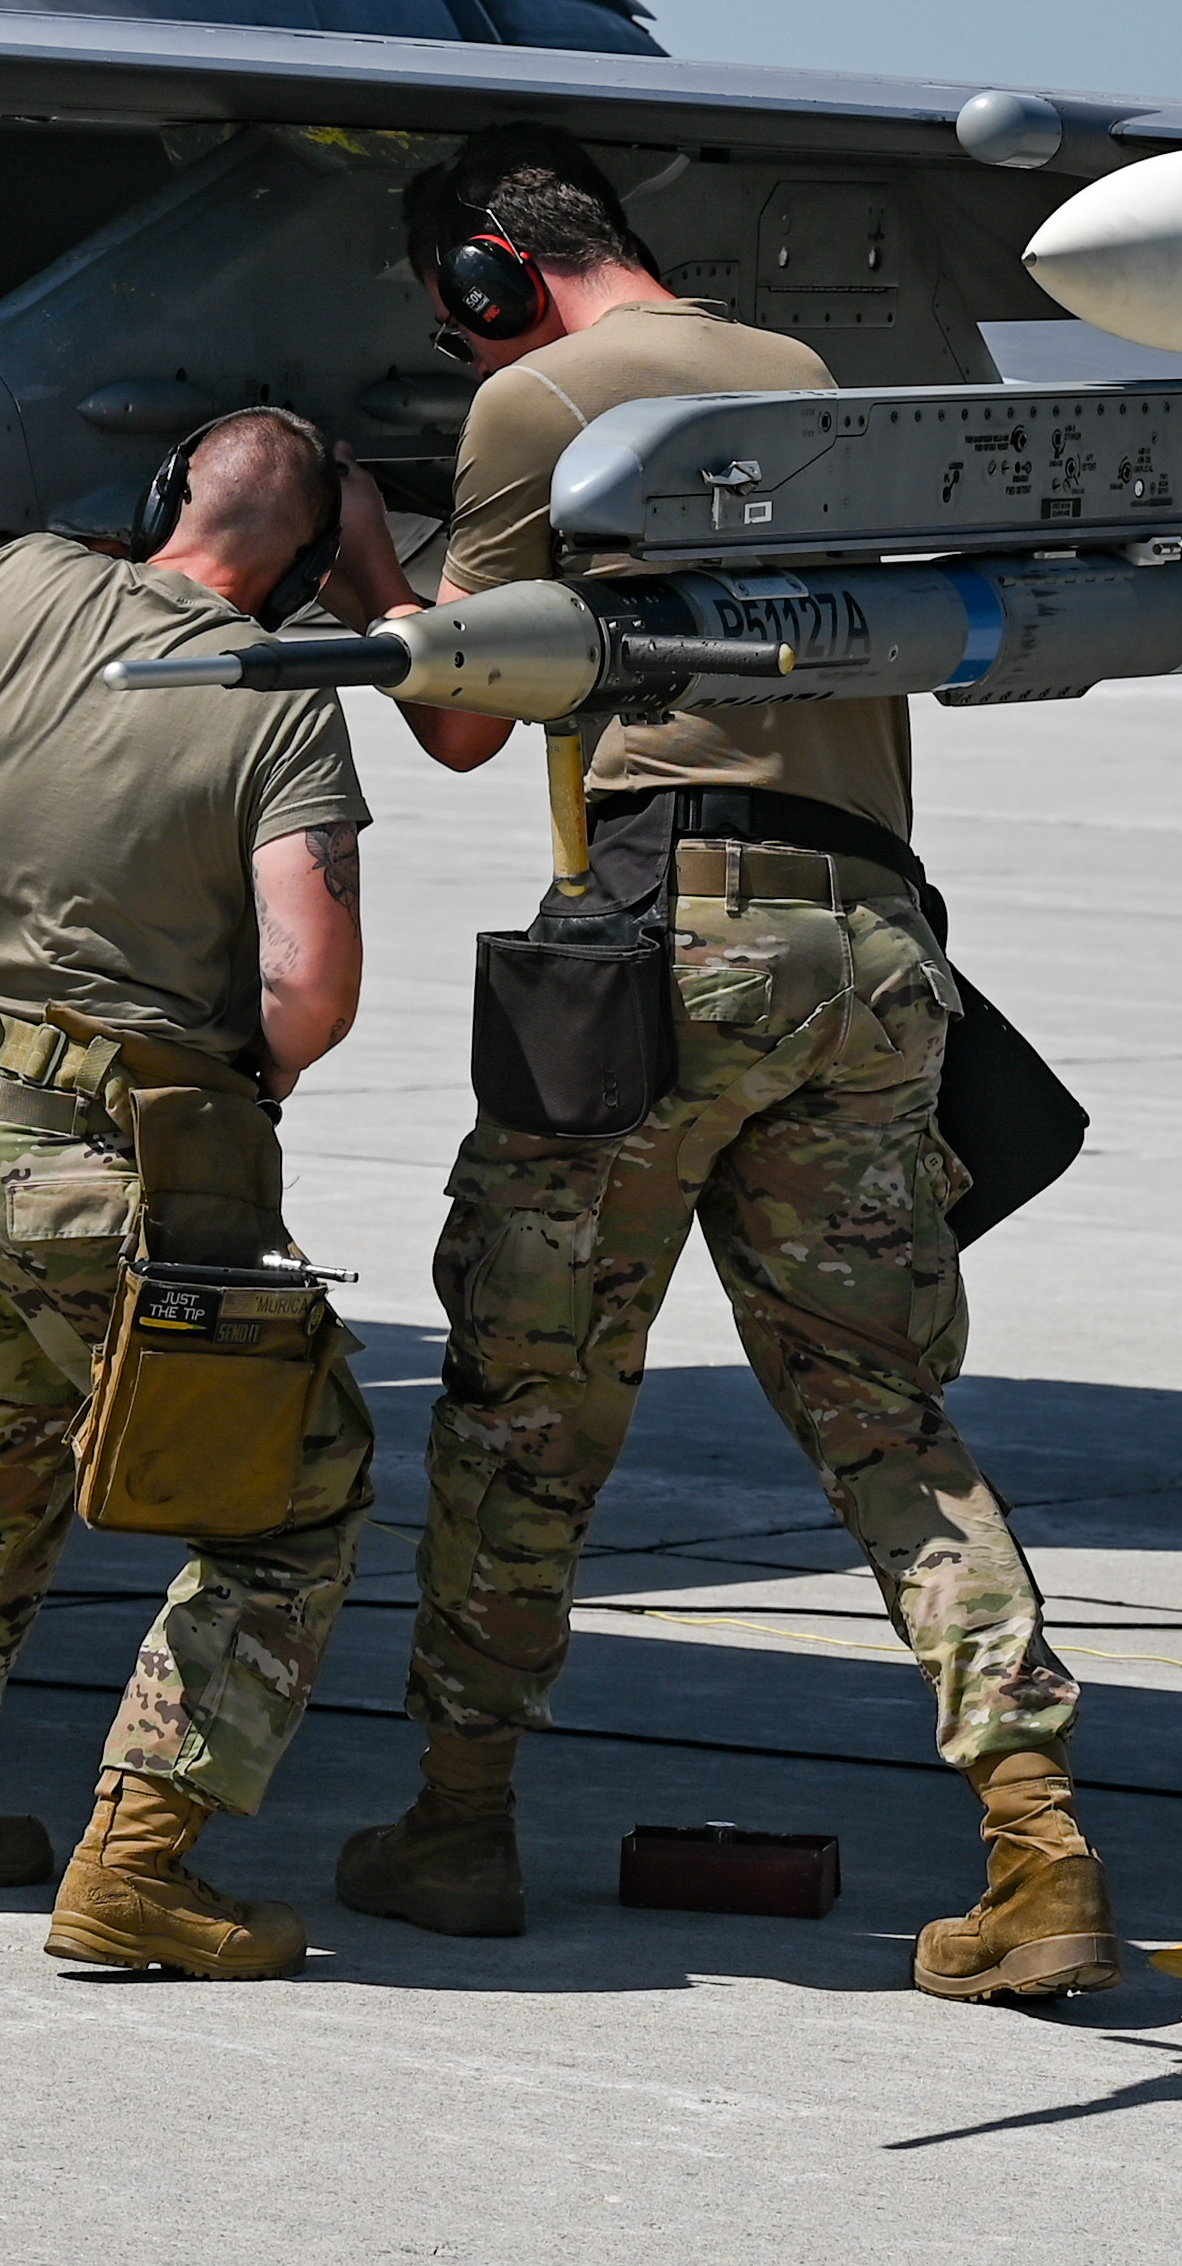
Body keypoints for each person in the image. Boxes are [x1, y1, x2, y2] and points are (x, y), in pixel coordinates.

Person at [333, 122, 1110, 2001]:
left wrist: (367, 560)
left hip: (662, 943)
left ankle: (458, 1823)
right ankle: (1041, 1849)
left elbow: (458, 720)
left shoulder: (536, 402)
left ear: (488, 276)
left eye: (455, 312)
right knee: (884, 1417)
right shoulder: (800, 375)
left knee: (528, 1400)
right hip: (870, 943)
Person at [0, 405, 416, 1979]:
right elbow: (310, 989)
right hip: (87, 1157)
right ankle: (141, 1861)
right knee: (295, 1499)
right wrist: (246, 1084)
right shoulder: (279, 698)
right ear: (306, 567)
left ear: (164, 499)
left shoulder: (16, 581)